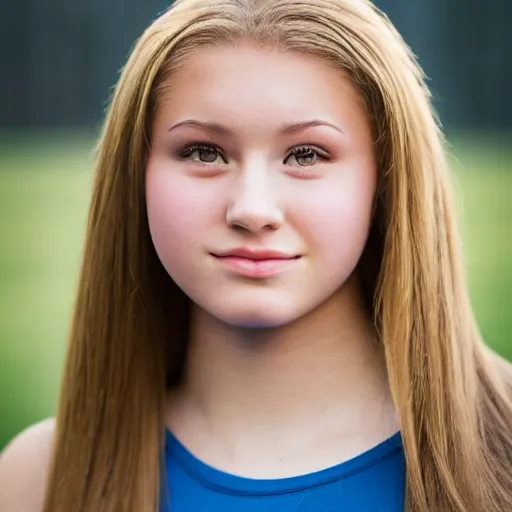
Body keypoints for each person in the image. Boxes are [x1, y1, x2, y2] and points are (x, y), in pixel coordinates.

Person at [1, 0, 512, 510]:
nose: (252, 209)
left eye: (306, 154)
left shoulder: (502, 445)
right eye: (204, 152)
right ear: (135, 176)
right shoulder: (39, 478)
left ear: (387, 180)